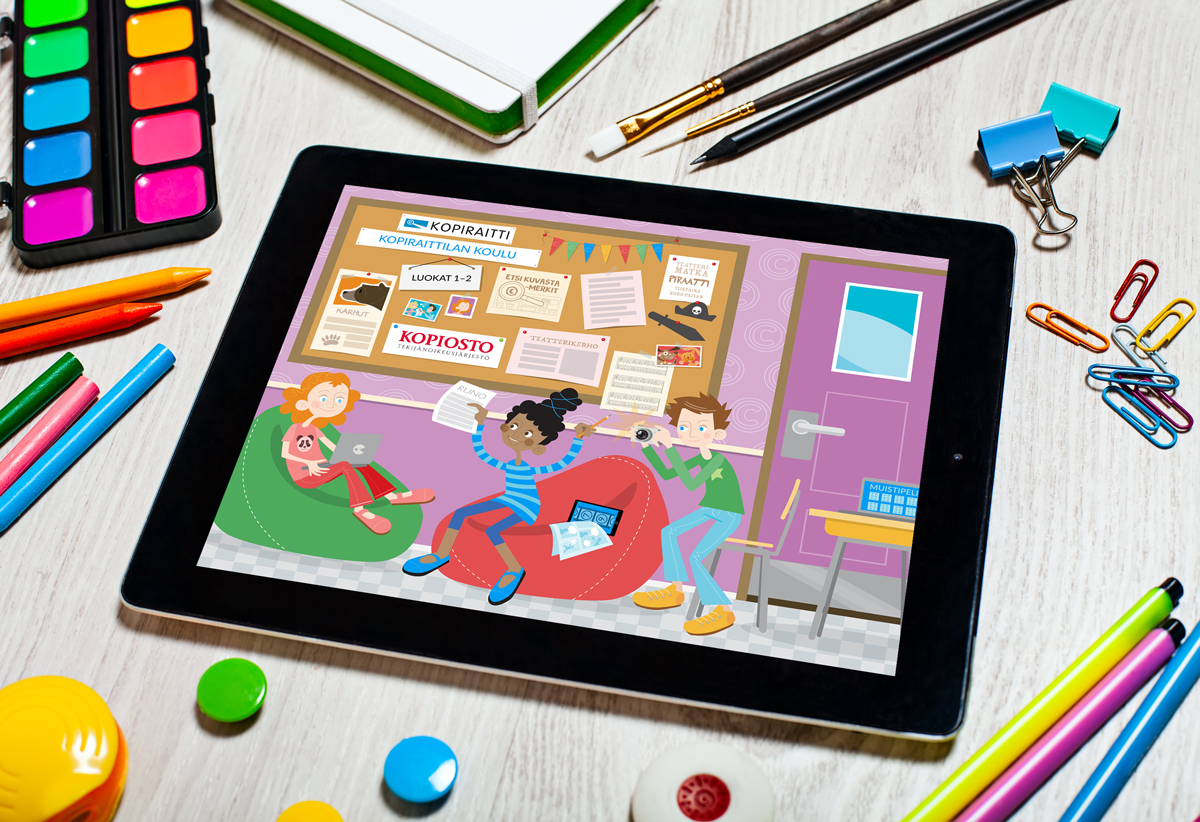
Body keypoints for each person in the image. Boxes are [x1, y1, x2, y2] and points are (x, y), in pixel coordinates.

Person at [403, 388, 597, 605]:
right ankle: (441, 555)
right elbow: (482, 453)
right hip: (507, 499)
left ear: (539, 446)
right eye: (513, 426)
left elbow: (562, 463)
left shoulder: (528, 468)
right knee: (460, 513)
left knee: (493, 530)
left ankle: (514, 570)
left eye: (528, 434)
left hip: (527, 506)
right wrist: (480, 424)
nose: (515, 435)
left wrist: (578, 438)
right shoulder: (510, 464)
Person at [633, 393, 745, 636]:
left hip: (728, 514)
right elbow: (668, 474)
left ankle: (723, 609)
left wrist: (670, 447)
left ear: (718, 433)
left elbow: (691, 484)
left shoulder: (717, 460)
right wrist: (647, 446)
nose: (691, 433)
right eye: (684, 427)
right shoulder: (702, 457)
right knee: (669, 532)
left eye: (701, 427)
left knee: (696, 557)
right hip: (709, 509)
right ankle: (675, 590)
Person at [280, 372, 433, 535]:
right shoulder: (294, 428)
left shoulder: (315, 428)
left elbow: (331, 446)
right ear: (303, 402)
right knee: (345, 466)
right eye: (324, 398)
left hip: (322, 467)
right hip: (305, 475)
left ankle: (393, 497)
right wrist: (308, 462)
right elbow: (285, 453)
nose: (331, 404)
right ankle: (360, 510)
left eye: (339, 400)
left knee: (358, 462)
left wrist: (349, 453)